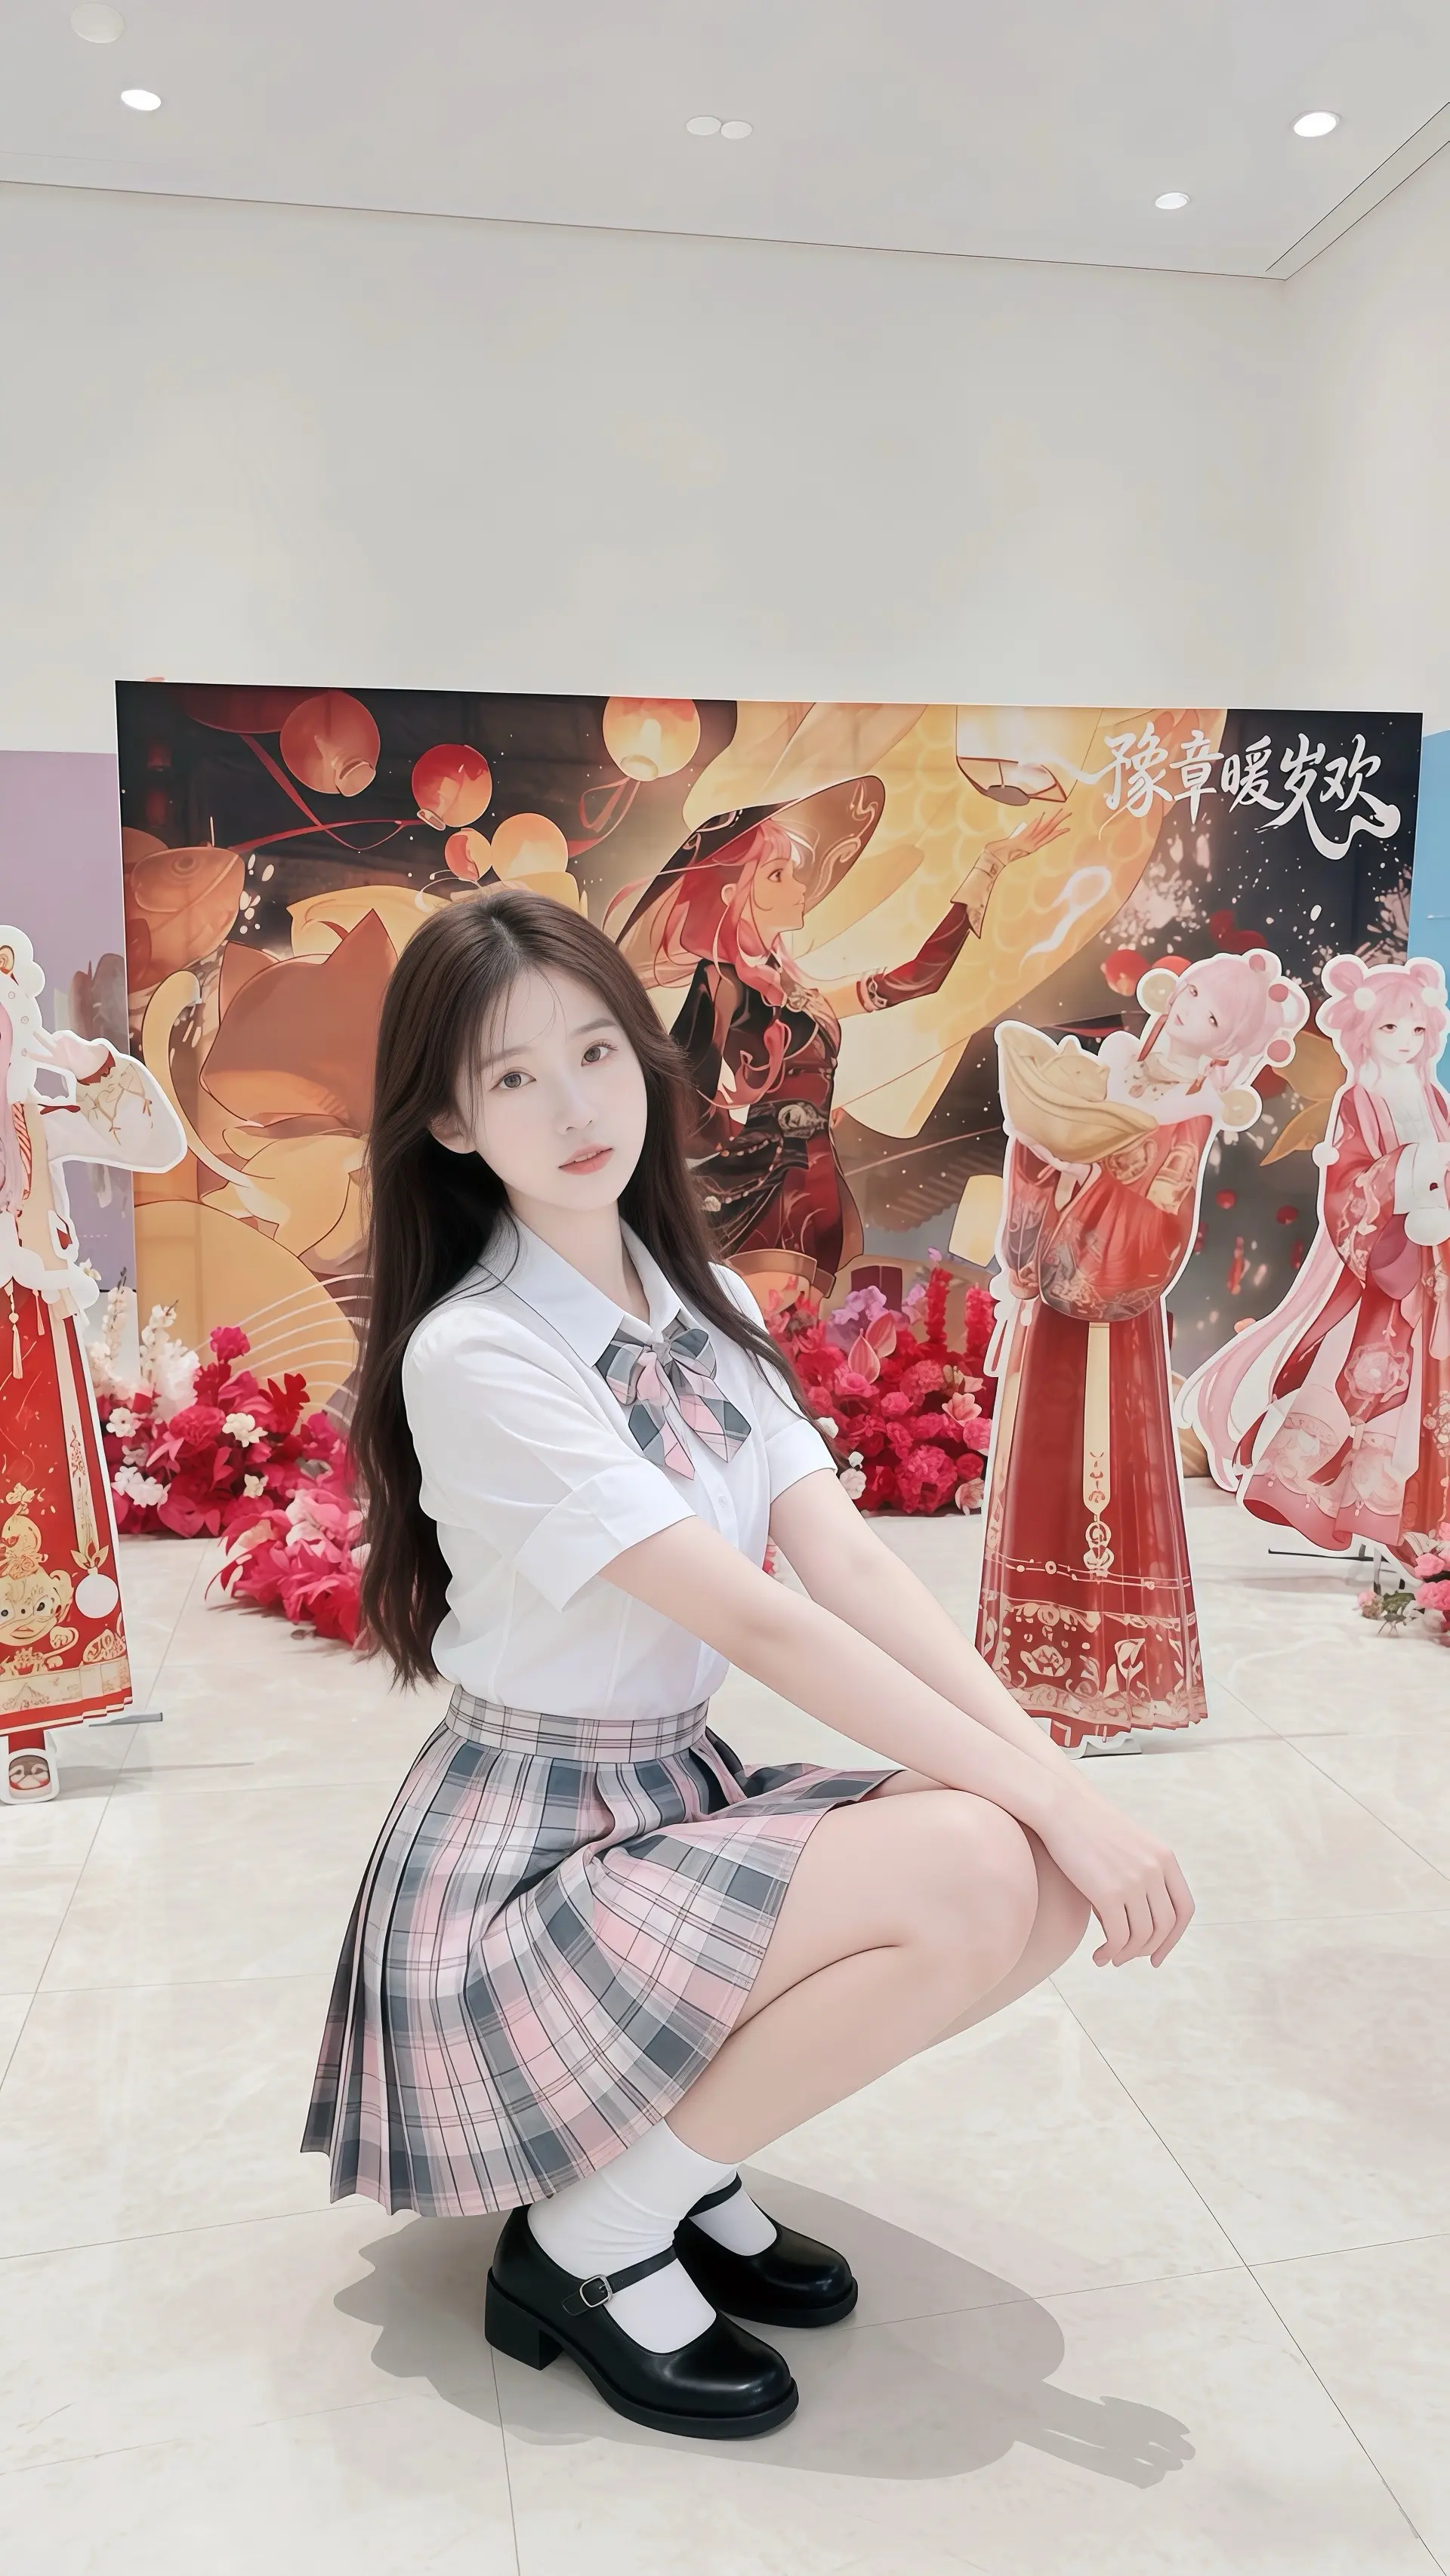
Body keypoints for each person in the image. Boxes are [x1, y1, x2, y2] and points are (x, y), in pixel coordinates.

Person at [304, 887, 1193, 2442]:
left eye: (597, 1051)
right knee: (982, 1865)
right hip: (525, 1857)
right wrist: (1050, 1798)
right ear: (448, 1118)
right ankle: (586, 2238)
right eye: (514, 1076)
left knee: (1039, 1870)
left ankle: (675, 2158)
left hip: (669, 1791)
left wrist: (1056, 1782)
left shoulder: (698, 1305)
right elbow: (764, 1622)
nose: (576, 1107)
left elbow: (848, 1565)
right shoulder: (479, 1350)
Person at [977, 951, 1307, 1753]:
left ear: (1226, 1044)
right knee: (1040, 1467)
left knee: (1105, 1475)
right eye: (1191, 992)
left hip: (1108, 1314)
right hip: (1054, 1302)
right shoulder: (1109, 1067)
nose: (1191, 1011)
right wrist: (1045, 1159)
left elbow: (1157, 1225)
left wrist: (1091, 1182)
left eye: (1214, 1015)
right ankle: (1028, 1678)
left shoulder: (1191, 1113)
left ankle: (1110, 1692)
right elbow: (1038, 1148)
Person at [608, 784, 1067, 1301]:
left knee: (808, 1335)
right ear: (732, 895)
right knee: (770, 1330)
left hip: (816, 1181)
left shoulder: (797, 990)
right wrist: (761, 1115)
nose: (799, 884)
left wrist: (988, 866)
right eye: (777, 874)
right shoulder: (721, 982)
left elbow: (917, 978)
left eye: (793, 870)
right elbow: (680, 1097)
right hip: (763, 1187)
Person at [1179, 954, 1449, 1561]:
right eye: (1390, 1027)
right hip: (1386, 1269)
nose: (1404, 1041)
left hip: (1434, 1270)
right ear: (1364, 1031)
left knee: (1424, 1391)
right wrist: (1410, 1171)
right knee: (1363, 1379)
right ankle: (1355, 1505)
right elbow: (1347, 1187)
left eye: (1415, 1029)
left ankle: (1419, 1522)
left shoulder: (1435, 1097)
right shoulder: (1358, 1099)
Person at [1, 924, 185, 1803]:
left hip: (32, 1337)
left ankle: (26, 1724)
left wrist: (100, 1069)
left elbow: (155, 1145)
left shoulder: (40, 1122)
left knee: (37, 1519)